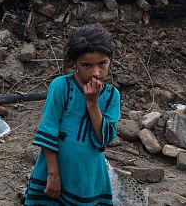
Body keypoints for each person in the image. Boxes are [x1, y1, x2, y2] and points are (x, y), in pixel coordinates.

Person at [23, 25, 121, 206]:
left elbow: (103, 138)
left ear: (110, 61)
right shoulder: (61, 86)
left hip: (89, 173)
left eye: (102, 63)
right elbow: (48, 129)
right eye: (87, 65)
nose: (96, 72)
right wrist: (53, 174)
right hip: (57, 167)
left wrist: (92, 103)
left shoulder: (111, 96)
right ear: (75, 63)